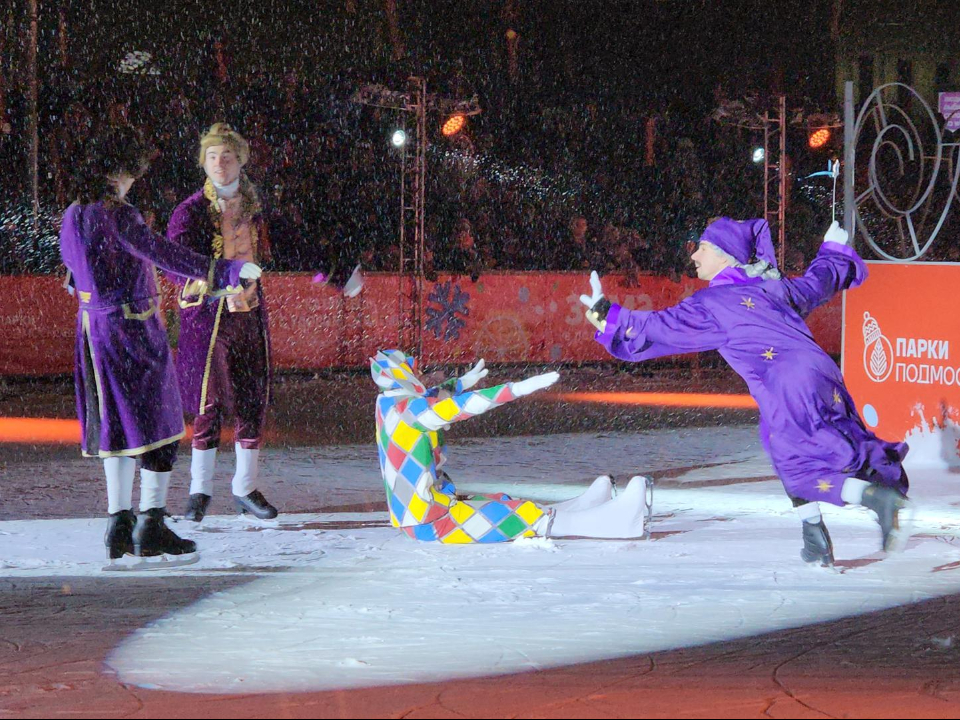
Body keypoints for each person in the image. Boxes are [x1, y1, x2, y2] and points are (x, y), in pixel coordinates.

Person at [579, 218, 911, 566]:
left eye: (702, 248)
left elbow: (660, 327)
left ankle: (876, 499)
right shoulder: (772, 288)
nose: (693, 256)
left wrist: (606, 313)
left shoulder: (713, 303)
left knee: (800, 464)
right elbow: (818, 283)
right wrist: (830, 250)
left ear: (725, 256)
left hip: (786, 382)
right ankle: (814, 538)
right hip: (821, 372)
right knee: (784, 443)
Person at [58, 124, 259, 564]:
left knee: (116, 428)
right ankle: (151, 522)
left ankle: (119, 522)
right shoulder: (118, 213)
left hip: (93, 331)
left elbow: (73, 276)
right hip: (132, 330)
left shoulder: (73, 212)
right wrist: (225, 272)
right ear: (122, 171)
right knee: (161, 425)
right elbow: (162, 253)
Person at [371, 350, 652, 543]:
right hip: (431, 522)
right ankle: (615, 523)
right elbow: (458, 407)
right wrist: (515, 389)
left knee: (502, 501)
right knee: (515, 517)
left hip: (429, 513)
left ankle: (581, 508)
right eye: (413, 368)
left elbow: (435, 400)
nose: (419, 372)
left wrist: (461, 382)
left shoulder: (390, 405)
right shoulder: (409, 410)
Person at [166, 123, 277, 523]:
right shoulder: (191, 210)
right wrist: (213, 276)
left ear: (240, 161)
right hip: (208, 321)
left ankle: (245, 487)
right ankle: (199, 490)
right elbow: (176, 260)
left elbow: (289, 243)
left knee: (252, 401)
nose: (219, 164)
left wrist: (332, 273)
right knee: (206, 404)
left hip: (248, 317)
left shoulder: (256, 207)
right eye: (212, 157)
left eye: (226, 157)